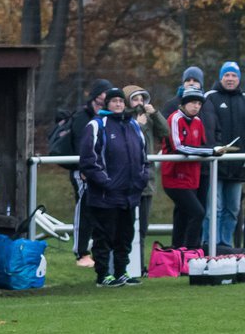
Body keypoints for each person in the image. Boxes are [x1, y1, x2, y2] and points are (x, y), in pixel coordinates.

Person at [78, 87, 148, 287]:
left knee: (125, 236)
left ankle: (121, 271)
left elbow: (144, 158)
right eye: (114, 101)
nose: (118, 104)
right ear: (106, 104)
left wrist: (142, 179)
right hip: (104, 195)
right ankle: (103, 275)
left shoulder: (133, 126)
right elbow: (89, 160)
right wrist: (106, 182)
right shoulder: (96, 125)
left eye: (120, 101)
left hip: (129, 194)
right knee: (103, 236)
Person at [161, 89, 224, 249]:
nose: (196, 106)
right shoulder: (174, 118)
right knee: (198, 212)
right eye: (192, 103)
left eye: (198, 103)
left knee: (182, 214)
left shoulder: (197, 122)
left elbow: (202, 145)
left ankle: (177, 250)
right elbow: (179, 147)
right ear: (183, 104)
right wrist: (210, 151)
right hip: (174, 177)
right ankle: (190, 251)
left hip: (192, 177)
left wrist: (215, 149)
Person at [123, 85, 169, 273]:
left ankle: (139, 266)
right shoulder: (123, 119)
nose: (139, 103)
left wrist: (155, 114)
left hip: (147, 180)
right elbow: (129, 141)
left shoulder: (148, 117)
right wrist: (139, 126)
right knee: (126, 227)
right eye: (135, 99)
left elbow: (165, 132)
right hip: (127, 181)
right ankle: (124, 266)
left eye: (142, 99)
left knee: (142, 228)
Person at [68, 78, 112, 267]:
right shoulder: (82, 118)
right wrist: (86, 169)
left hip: (102, 172)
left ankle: (100, 251)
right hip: (83, 172)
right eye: (101, 95)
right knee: (84, 209)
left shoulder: (110, 119)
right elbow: (81, 146)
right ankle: (81, 252)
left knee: (101, 212)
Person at [204, 60, 245, 252]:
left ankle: (226, 247)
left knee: (233, 209)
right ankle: (210, 245)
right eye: (227, 75)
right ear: (221, 77)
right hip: (216, 164)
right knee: (215, 209)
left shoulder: (243, 98)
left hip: (238, 166)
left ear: (239, 78)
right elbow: (208, 130)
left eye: (234, 75)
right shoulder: (210, 98)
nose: (230, 79)